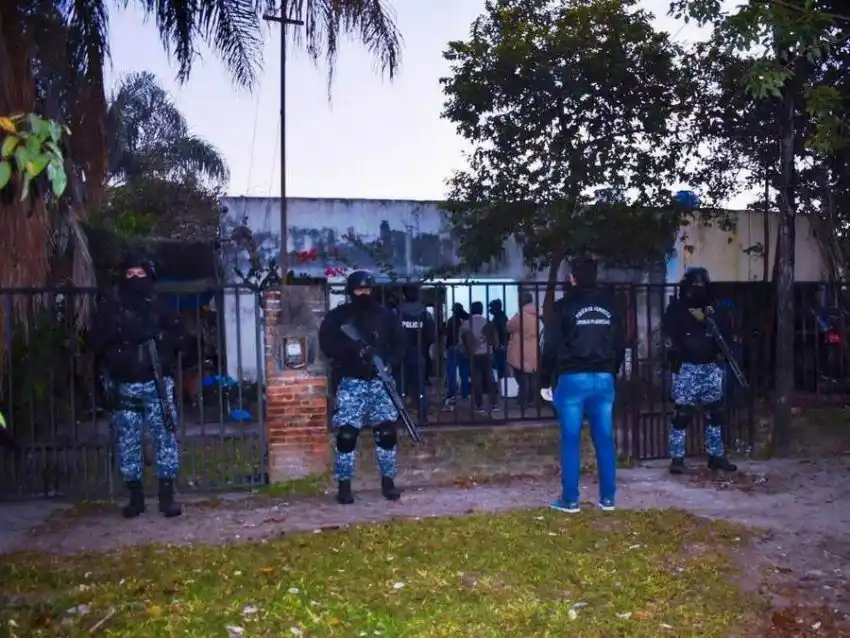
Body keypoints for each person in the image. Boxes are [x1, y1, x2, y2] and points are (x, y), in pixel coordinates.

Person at [88, 252, 187, 519]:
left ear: (149, 276)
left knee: (165, 438)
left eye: (140, 274)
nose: (134, 279)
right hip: (126, 387)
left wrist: (159, 339)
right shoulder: (111, 307)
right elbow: (96, 343)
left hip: (157, 383)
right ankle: (136, 497)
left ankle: (167, 498)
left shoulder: (159, 305)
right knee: (127, 442)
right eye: (129, 274)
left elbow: (181, 338)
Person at [540, 256, 625, 513]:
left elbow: (551, 347)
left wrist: (545, 380)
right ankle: (608, 498)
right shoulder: (611, 307)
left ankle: (570, 499)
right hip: (603, 378)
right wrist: (612, 371)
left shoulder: (563, 306)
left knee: (570, 438)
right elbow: (620, 343)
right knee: (604, 438)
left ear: (572, 279)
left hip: (572, 379)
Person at [319, 270, 407, 504]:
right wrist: (352, 350)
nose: (364, 293)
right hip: (350, 381)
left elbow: (400, 343)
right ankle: (344, 486)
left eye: (367, 289)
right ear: (351, 291)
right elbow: (327, 344)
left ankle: (388, 483)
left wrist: (387, 362)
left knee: (387, 433)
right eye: (359, 289)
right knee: (347, 435)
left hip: (380, 382)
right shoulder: (338, 317)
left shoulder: (386, 316)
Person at [662, 267, 738, 475]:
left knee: (716, 413)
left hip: (711, 367)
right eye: (694, 285)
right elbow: (669, 337)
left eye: (702, 285)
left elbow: (725, 335)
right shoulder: (676, 309)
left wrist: (720, 356)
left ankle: (716, 455)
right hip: (687, 367)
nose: (698, 290)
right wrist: (676, 356)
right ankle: (677, 458)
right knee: (682, 414)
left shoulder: (714, 310)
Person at [395, 285, 435, 424]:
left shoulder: (397, 313)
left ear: (404, 295)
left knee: (400, 388)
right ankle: (422, 417)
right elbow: (431, 335)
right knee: (420, 388)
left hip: (400, 354)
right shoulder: (424, 314)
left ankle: (400, 418)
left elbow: (391, 334)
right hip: (418, 353)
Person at [459, 301, 498, 415]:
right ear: (481, 310)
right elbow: (494, 340)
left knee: (476, 380)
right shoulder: (488, 322)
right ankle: (494, 403)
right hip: (487, 354)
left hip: (473, 355)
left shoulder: (466, 324)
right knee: (490, 379)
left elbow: (461, 342)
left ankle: (479, 405)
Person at [507, 292, 541, 411]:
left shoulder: (521, 315)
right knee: (531, 375)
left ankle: (523, 400)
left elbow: (509, 326)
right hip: (533, 348)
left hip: (520, 349)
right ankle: (531, 399)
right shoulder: (536, 315)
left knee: (522, 376)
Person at [443, 302, 471, 408]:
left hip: (453, 348)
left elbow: (447, 335)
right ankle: (465, 393)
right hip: (464, 348)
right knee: (464, 372)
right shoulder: (467, 320)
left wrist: (445, 348)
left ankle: (452, 393)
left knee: (451, 371)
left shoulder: (451, 320)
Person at [489, 299, 509, 382]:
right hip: (498, 346)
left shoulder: (500, 318)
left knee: (501, 368)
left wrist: (503, 344)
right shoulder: (499, 317)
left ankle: (503, 388)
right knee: (498, 367)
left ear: (495, 308)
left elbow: (505, 331)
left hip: (500, 346)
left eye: (491, 307)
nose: (490, 310)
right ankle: (502, 387)